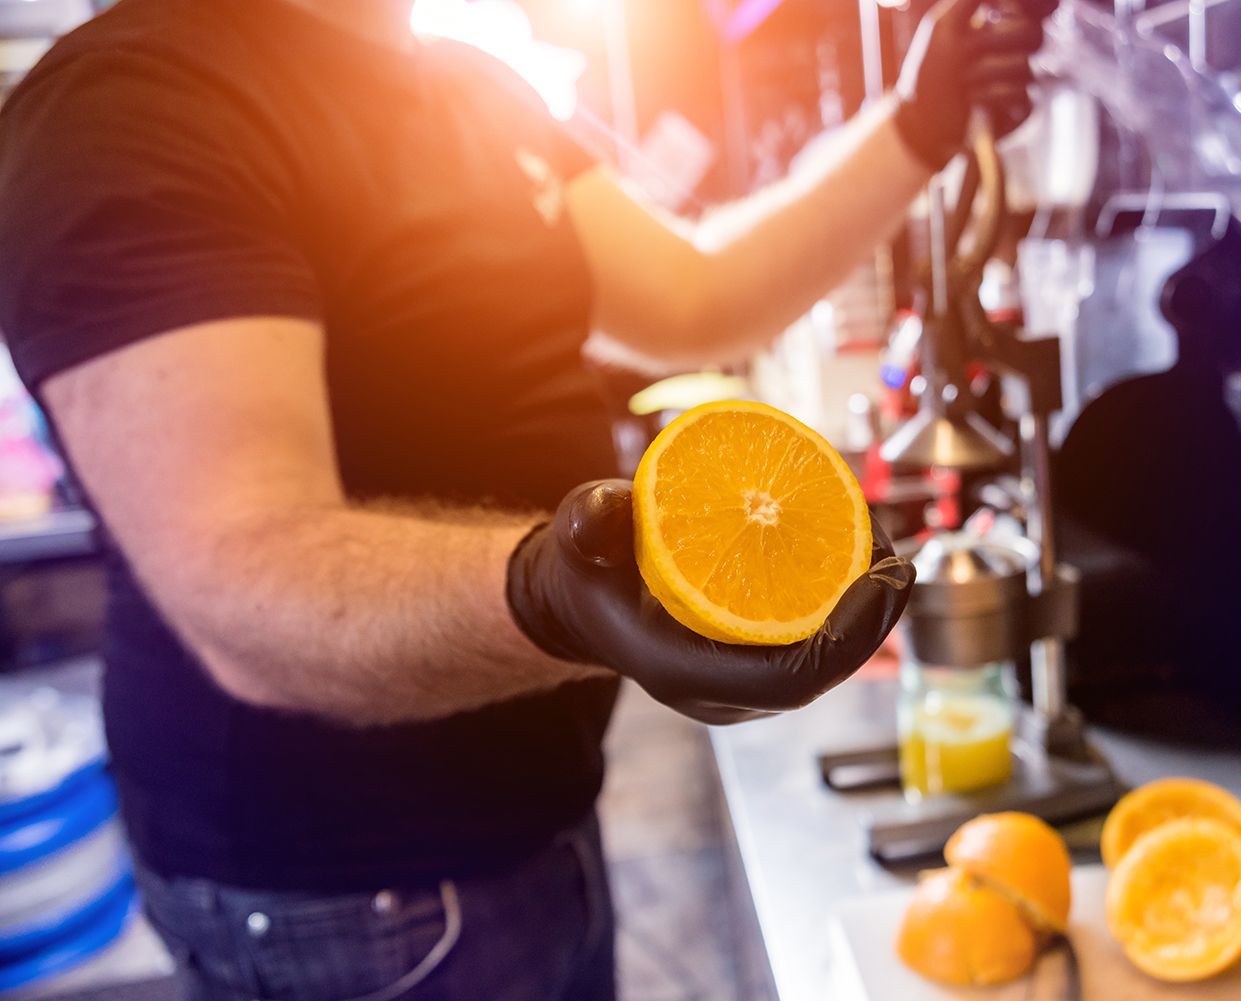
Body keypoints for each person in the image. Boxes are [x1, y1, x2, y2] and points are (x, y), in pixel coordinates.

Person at [0, 0, 1054, 997]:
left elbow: (696, 294)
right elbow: (248, 566)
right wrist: (546, 591)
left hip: (537, 805)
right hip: (347, 892)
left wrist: (917, 124)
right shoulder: (135, 106)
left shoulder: (469, 85)